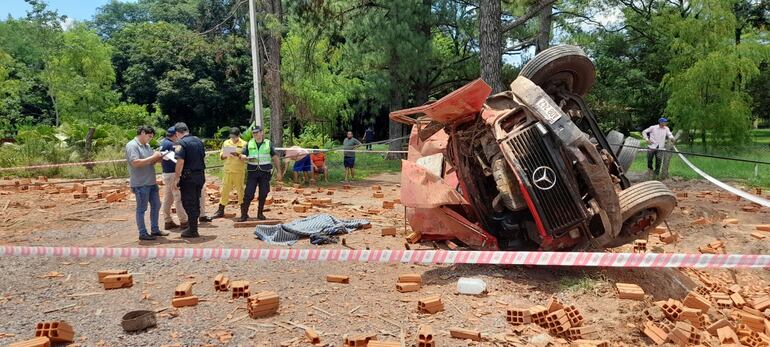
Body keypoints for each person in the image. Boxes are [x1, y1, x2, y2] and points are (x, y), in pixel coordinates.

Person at [125, 125, 167, 241]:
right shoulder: (132, 146)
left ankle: (155, 229)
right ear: (142, 133)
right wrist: (153, 157)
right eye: (149, 136)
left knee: (156, 205)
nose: (150, 139)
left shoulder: (147, 146)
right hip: (140, 183)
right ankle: (142, 233)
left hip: (151, 182)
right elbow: (136, 163)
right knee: (141, 209)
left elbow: (150, 162)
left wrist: (159, 158)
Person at [238, 126, 282, 221]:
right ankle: (244, 214)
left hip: (265, 173)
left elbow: (275, 157)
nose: (256, 134)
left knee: (263, 193)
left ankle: (260, 214)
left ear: (262, 133)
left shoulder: (268, 143)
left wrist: (279, 171)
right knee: (248, 193)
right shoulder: (249, 143)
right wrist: (243, 157)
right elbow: (242, 154)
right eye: (254, 133)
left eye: (257, 132)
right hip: (252, 172)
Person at [173, 122, 207, 238]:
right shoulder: (199, 141)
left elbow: (180, 161)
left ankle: (193, 230)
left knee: (188, 202)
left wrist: (176, 178)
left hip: (189, 177)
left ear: (177, 133)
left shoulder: (182, 143)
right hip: (200, 176)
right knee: (196, 201)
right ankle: (193, 227)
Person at [211, 127, 247, 219]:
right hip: (228, 171)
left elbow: (246, 157)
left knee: (240, 192)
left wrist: (238, 154)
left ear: (239, 135)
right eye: (231, 136)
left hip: (238, 171)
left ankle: (244, 213)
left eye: (235, 137)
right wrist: (226, 154)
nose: (233, 139)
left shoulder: (244, 144)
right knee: (224, 191)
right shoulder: (226, 142)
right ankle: (220, 210)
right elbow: (222, 156)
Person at [159, 126, 188, 230]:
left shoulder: (163, 143)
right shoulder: (172, 144)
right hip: (172, 174)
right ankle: (184, 221)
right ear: (176, 134)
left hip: (167, 173)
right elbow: (179, 159)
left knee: (168, 197)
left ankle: (167, 221)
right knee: (178, 197)